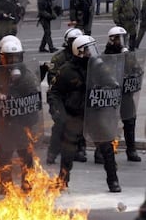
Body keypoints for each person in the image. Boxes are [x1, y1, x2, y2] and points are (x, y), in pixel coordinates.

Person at [48, 35, 121, 192]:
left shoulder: (98, 67)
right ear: (79, 52)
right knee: (68, 149)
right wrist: (58, 112)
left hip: (95, 113)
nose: (92, 53)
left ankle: (113, 181)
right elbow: (54, 93)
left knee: (107, 146)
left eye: (93, 49)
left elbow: (112, 84)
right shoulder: (67, 71)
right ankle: (62, 180)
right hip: (75, 114)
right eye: (88, 50)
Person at [0, 40, 42, 193]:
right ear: (2, 57)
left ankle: (27, 183)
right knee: (5, 155)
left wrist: (16, 91)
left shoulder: (27, 75)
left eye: (16, 57)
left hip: (21, 122)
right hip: (3, 122)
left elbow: (34, 96)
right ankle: (5, 184)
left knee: (26, 155)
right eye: (10, 57)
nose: (13, 61)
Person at [96, 26, 142, 163]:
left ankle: (131, 150)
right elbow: (101, 74)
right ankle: (100, 152)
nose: (121, 41)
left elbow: (137, 70)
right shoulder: (105, 56)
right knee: (107, 123)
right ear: (111, 40)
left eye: (123, 38)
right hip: (111, 94)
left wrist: (130, 62)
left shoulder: (127, 55)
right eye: (118, 38)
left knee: (130, 120)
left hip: (125, 94)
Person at [45, 28, 84, 165]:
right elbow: (53, 82)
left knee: (80, 120)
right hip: (60, 98)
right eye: (74, 41)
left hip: (76, 98)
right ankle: (52, 152)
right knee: (60, 123)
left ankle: (79, 149)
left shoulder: (84, 57)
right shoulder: (58, 58)